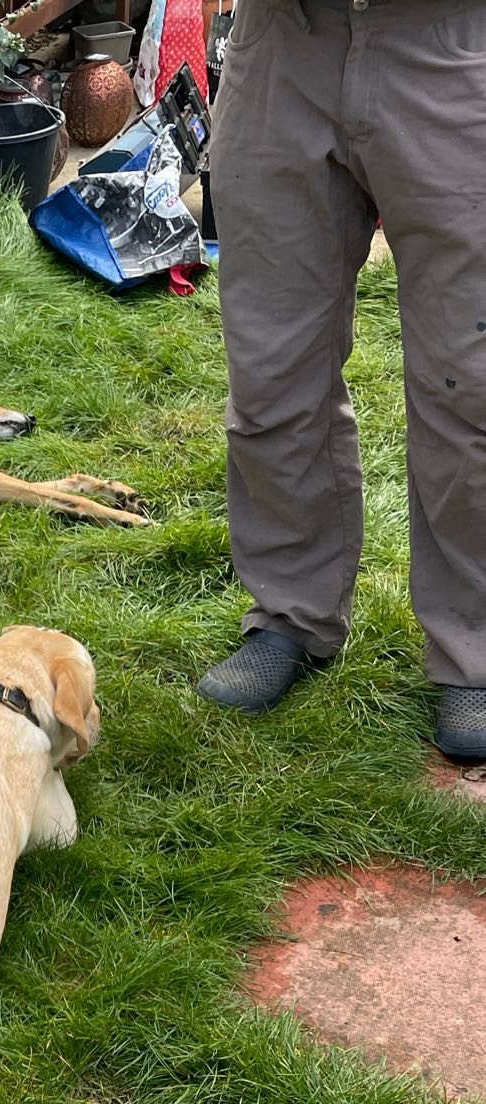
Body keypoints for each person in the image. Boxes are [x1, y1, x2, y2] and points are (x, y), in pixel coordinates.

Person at [200, 0, 486, 762]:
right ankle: (290, 613)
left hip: (453, 45)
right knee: (271, 367)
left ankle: (478, 649)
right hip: (282, 44)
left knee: (473, 377)